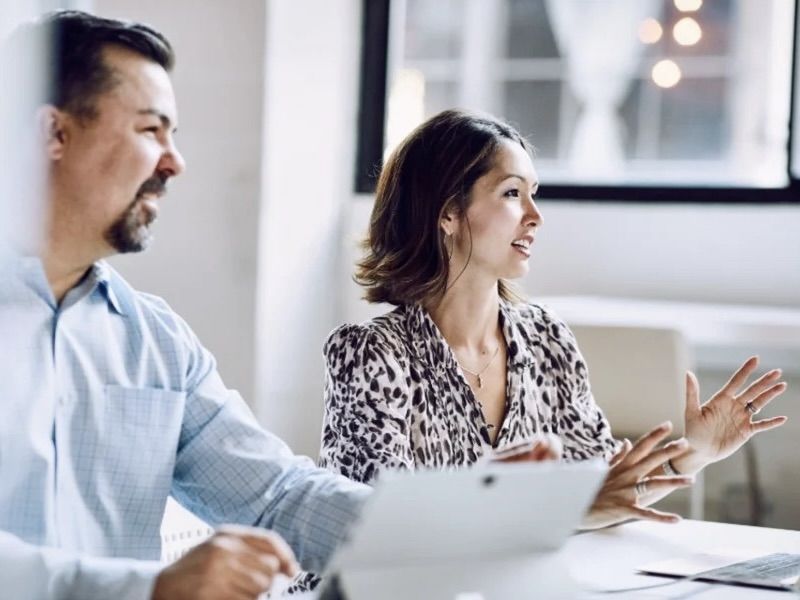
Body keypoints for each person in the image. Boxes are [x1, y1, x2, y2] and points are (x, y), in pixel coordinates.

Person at [0, 10, 370, 599]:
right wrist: (152, 587)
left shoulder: (155, 341)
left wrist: (454, 522)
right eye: (151, 130)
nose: (175, 162)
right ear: (55, 134)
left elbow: (278, 496)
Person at [318, 109, 788, 529]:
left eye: (533, 194)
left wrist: (695, 453)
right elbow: (376, 531)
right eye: (511, 193)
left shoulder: (545, 338)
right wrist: (572, 512)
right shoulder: (372, 354)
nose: (536, 216)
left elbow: (606, 489)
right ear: (448, 213)